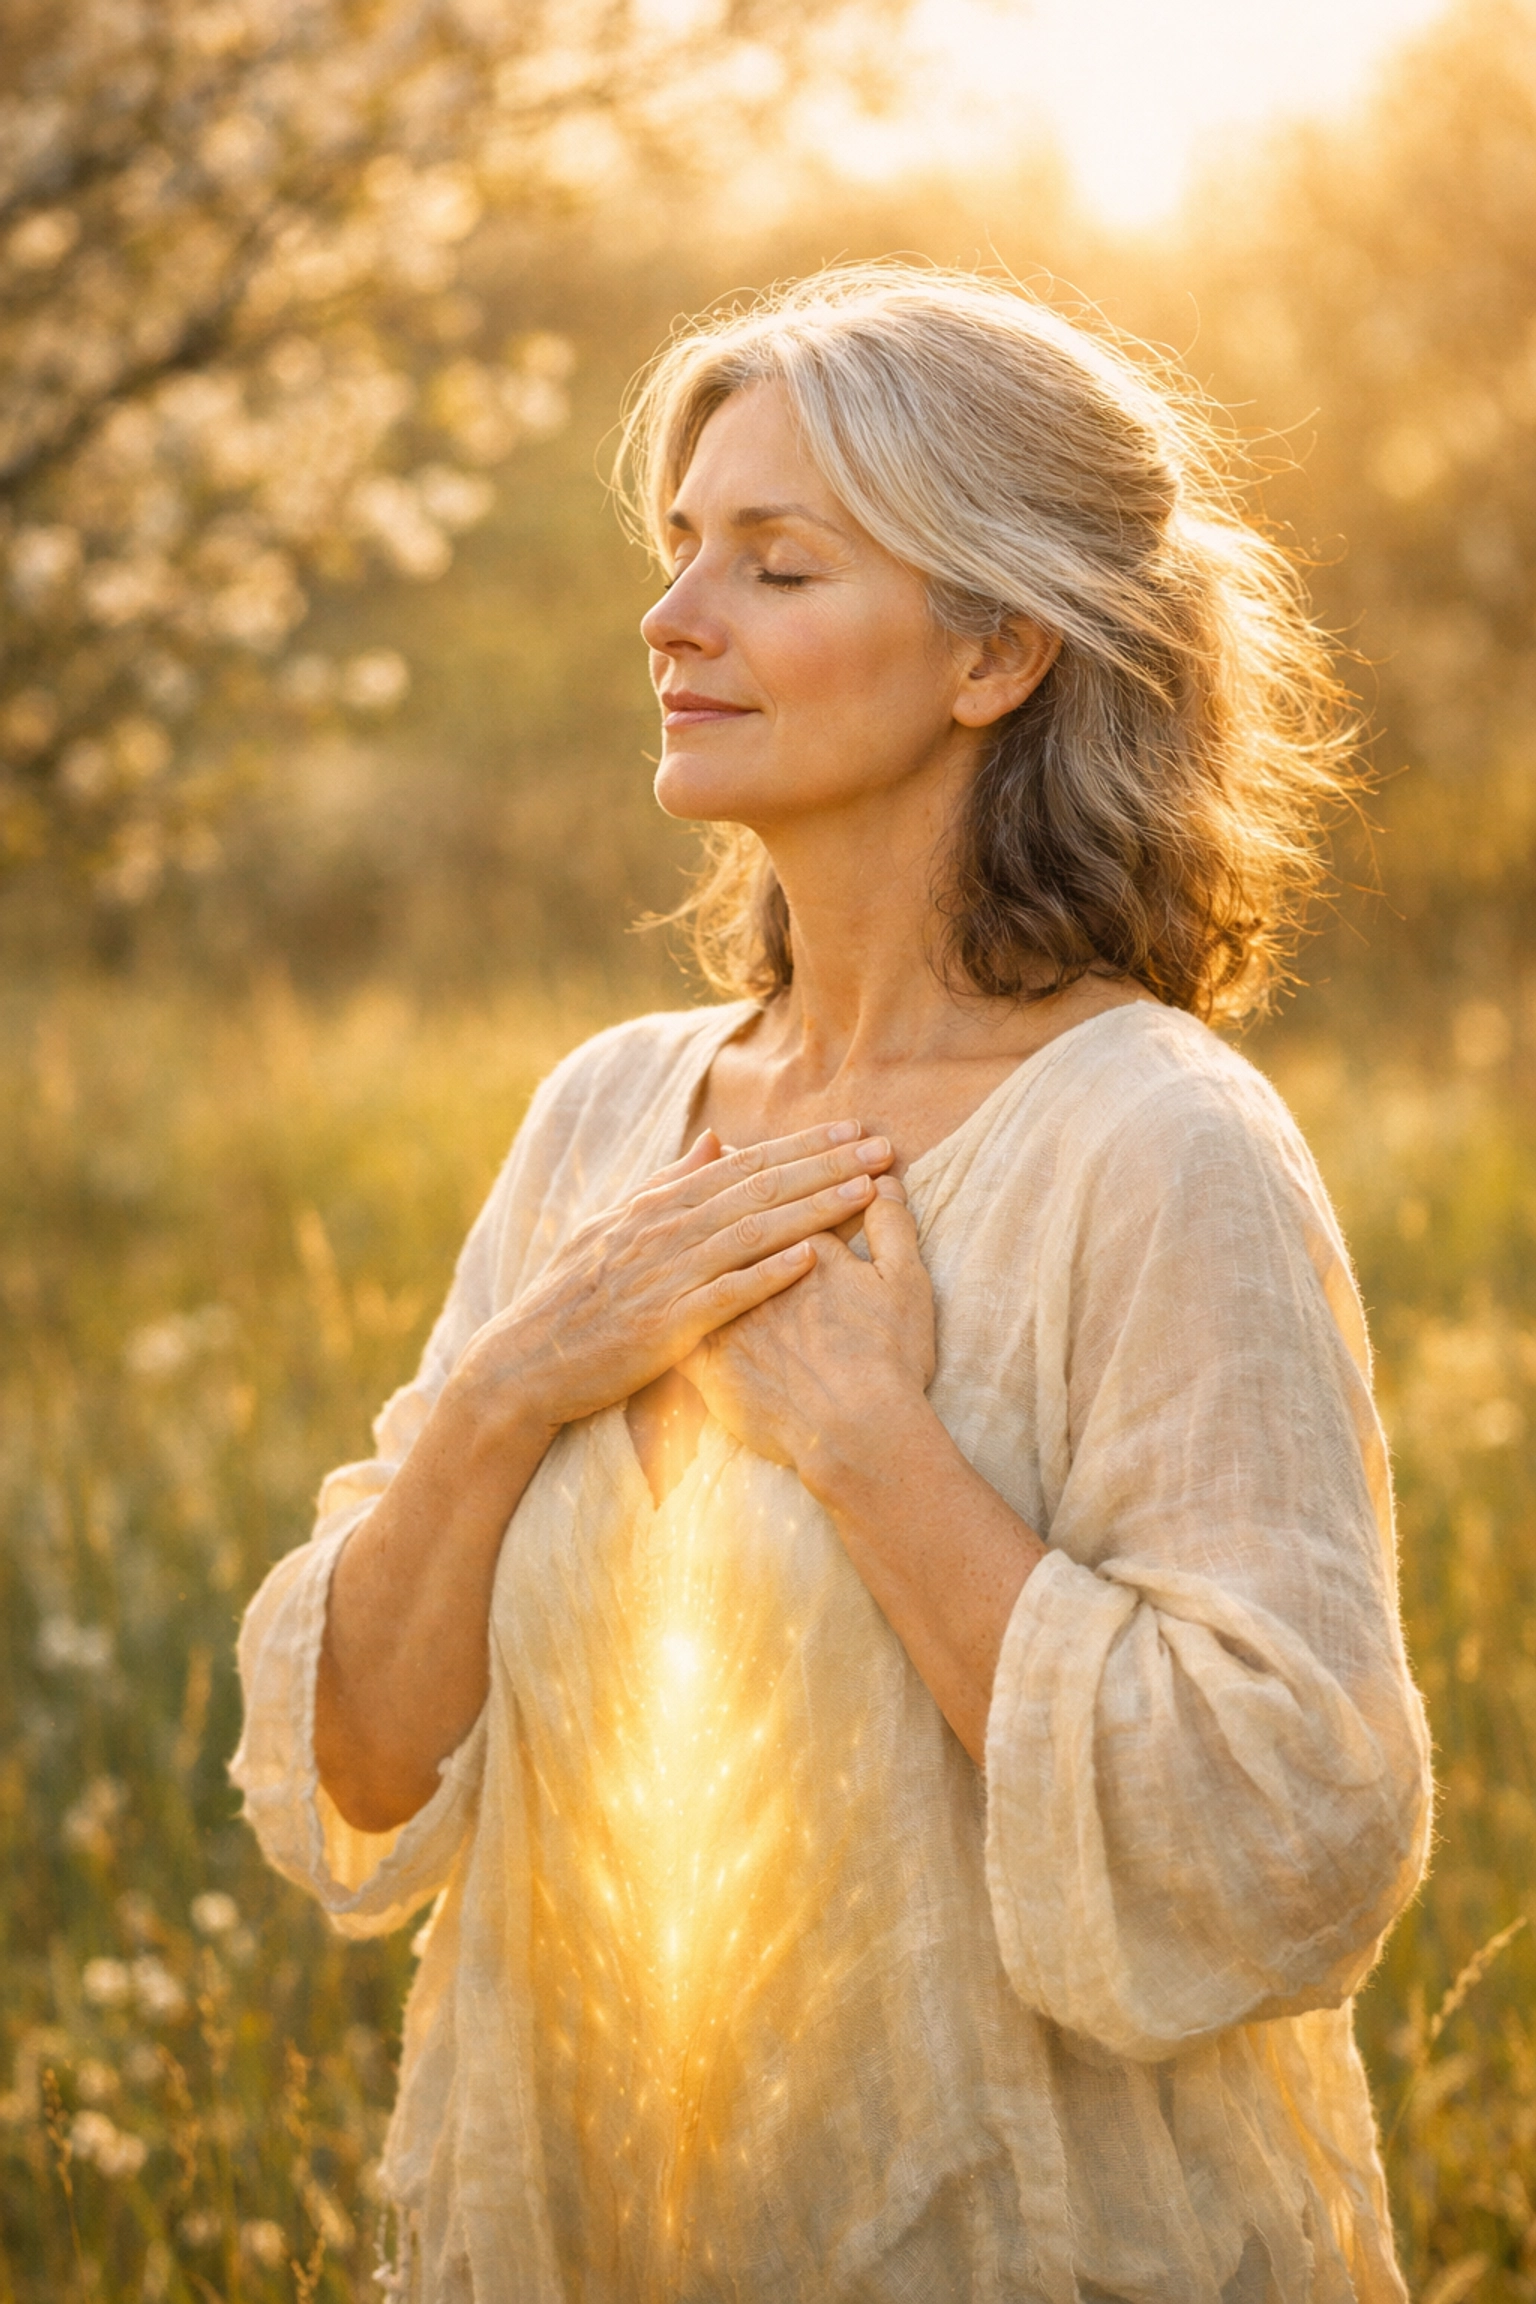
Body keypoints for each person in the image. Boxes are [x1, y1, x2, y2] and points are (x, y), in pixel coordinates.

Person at [232, 266, 1433, 2303]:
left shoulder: (1158, 1144)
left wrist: (874, 1447)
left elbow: (1278, 1845)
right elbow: (357, 1766)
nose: (672, 616)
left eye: (774, 564)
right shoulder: (609, 1119)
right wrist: (525, 1377)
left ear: (997, 650)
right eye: (681, 549)